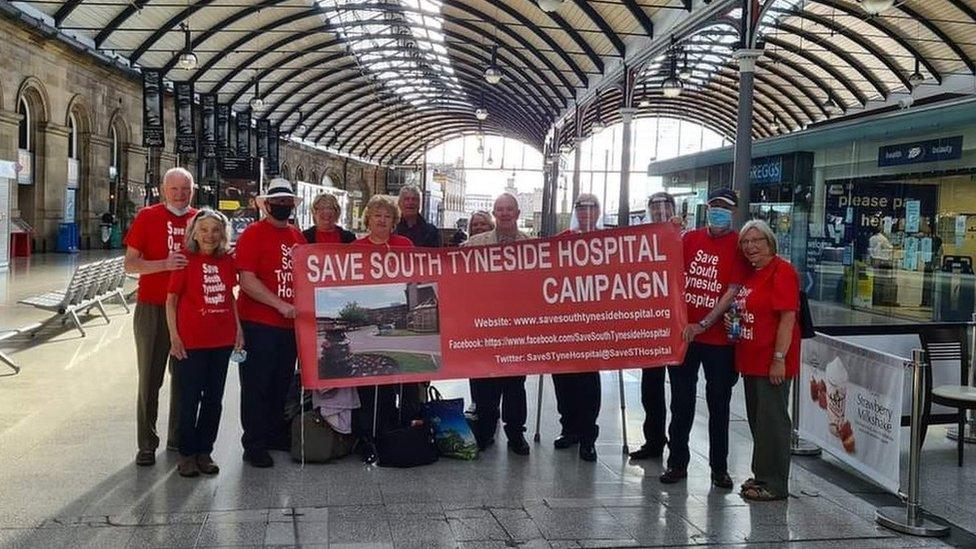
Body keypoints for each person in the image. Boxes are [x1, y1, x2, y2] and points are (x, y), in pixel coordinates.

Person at [661, 188, 750, 489]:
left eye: (725, 208)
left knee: (719, 404)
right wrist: (669, 230)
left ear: (734, 212)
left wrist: (705, 323)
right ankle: (677, 462)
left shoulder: (739, 245)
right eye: (714, 206)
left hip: (719, 341)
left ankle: (719, 468)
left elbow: (734, 288)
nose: (718, 212)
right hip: (686, 336)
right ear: (707, 209)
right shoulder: (690, 239)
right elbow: (670, 272)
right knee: (681, 401)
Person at [124, 167, 197, 467]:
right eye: (174, 189)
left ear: (193, 190)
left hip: (187, 311)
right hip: (152, 307)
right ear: (164, 190)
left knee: (184, 379)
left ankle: (177, 439)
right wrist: (164, 264)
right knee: (149, 379)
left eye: (185, 189)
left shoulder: (199, 219)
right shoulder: (148, 217)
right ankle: (146, 443)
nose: (180, 195)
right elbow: (130, 264)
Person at [165, 208, 242, 477]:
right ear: (194, 233)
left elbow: (231, 297)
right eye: (204, 229)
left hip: (220, 340)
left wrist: (238, 330)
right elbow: (171, 300)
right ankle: (186, 453)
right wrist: (174, 337)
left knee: (214, 399)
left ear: (223, 234)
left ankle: (204, 451)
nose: (209, 235)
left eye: (215, 230)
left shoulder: (227, 261)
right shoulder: (185, 259)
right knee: (189, 399)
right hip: (191, 341)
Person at [235, 179, 307, 468]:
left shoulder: (297, 237)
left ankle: (274, 433)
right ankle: (253, 442)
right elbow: (246, 280)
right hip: (259, 323)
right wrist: (279, 305)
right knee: (256, 385)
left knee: (281, 383)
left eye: (287, 203)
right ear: (266, 205)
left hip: (290, 327)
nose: (282, 207)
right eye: (277, 203)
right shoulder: (253, 234)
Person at [731, 219, 801, 501]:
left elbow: (787, 318)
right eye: (745, 242)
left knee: (773, 422)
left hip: (771, 362)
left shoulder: (782, 271)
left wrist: (779, 359)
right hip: (751, 361)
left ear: (770, 242)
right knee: (759, 422)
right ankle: (762, 474)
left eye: (756, 240)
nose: (750, 247)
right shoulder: (751, 273)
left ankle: (775, 483)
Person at [465, 193, 531, 456]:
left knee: (515, 384)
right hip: (484, 324)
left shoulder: (532, 245)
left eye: (509, 209)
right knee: (484, 382)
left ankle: (516, 433)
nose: (504, 213)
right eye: (499, 209)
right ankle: (485, 431)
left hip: (516, 326)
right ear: (494, 213)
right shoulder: (473, 244)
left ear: (516, 213)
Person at [351, 195, 415, 459]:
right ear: (368, 219)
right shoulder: (355, 247)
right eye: (376, 215)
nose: (381, 220)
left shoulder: (404, 245)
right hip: (367, 317)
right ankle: (366, 435)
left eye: (387, 216)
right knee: (367, 384)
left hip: (397, 313)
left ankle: (395, 432)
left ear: (394, 221)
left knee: (397, 381)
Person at [551, 193, 604, 462]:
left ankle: (587, 437)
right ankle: (568, 428)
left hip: (592, 324)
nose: (586, 211)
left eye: (591, 207)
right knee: (563, 380)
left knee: (588, 383)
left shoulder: (609, 241)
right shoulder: (562, 240)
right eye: (581, 207)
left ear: (598, 211)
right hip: (563, 322)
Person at [630, 191, 678, 460]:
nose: (660, 214)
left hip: (680, 324)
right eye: (655, 210)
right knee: (651, 387)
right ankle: (654, 439)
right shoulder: (643, 242)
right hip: (653, 324)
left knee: (681, 390)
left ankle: (678, 445)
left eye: (664, 209)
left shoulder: (685, 237)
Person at [463, 211, 494, 423]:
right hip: (473, 312)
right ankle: (478, 402)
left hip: (496, 314)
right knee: (475, 362)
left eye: (483, 224)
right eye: (475, 224)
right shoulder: (463, 250)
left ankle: (491, 409)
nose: (479, 227)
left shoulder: (502, 248)